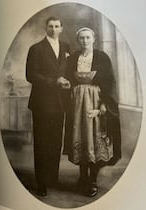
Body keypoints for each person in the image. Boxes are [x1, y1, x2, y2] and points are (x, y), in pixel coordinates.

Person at [62, 27, 121, 197]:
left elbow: (110, 84)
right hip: (77, 105)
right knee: (80, 138)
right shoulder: (73, 58)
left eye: (88, 37)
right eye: (81, 38)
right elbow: (67, 78)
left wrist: (102, 107)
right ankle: (82, 178)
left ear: (93, 39)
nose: (85, 41)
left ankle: (93, 179)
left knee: (94, 139)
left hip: (95, 102)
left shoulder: (102, 57)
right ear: (78, 40)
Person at [26, 17, 70, 196]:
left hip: (60, 103)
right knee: (42, 142)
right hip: (42, 103)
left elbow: (68, 71)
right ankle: (41, 182)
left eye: (57, 26)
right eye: (50, 26)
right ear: (46, 28)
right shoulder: (36, 49)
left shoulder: (66, 47)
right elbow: (31, 75)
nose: (53, 29)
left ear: (61, 28)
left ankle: (53, 178)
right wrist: (55, 81)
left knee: (55, 142)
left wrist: (68, 82)